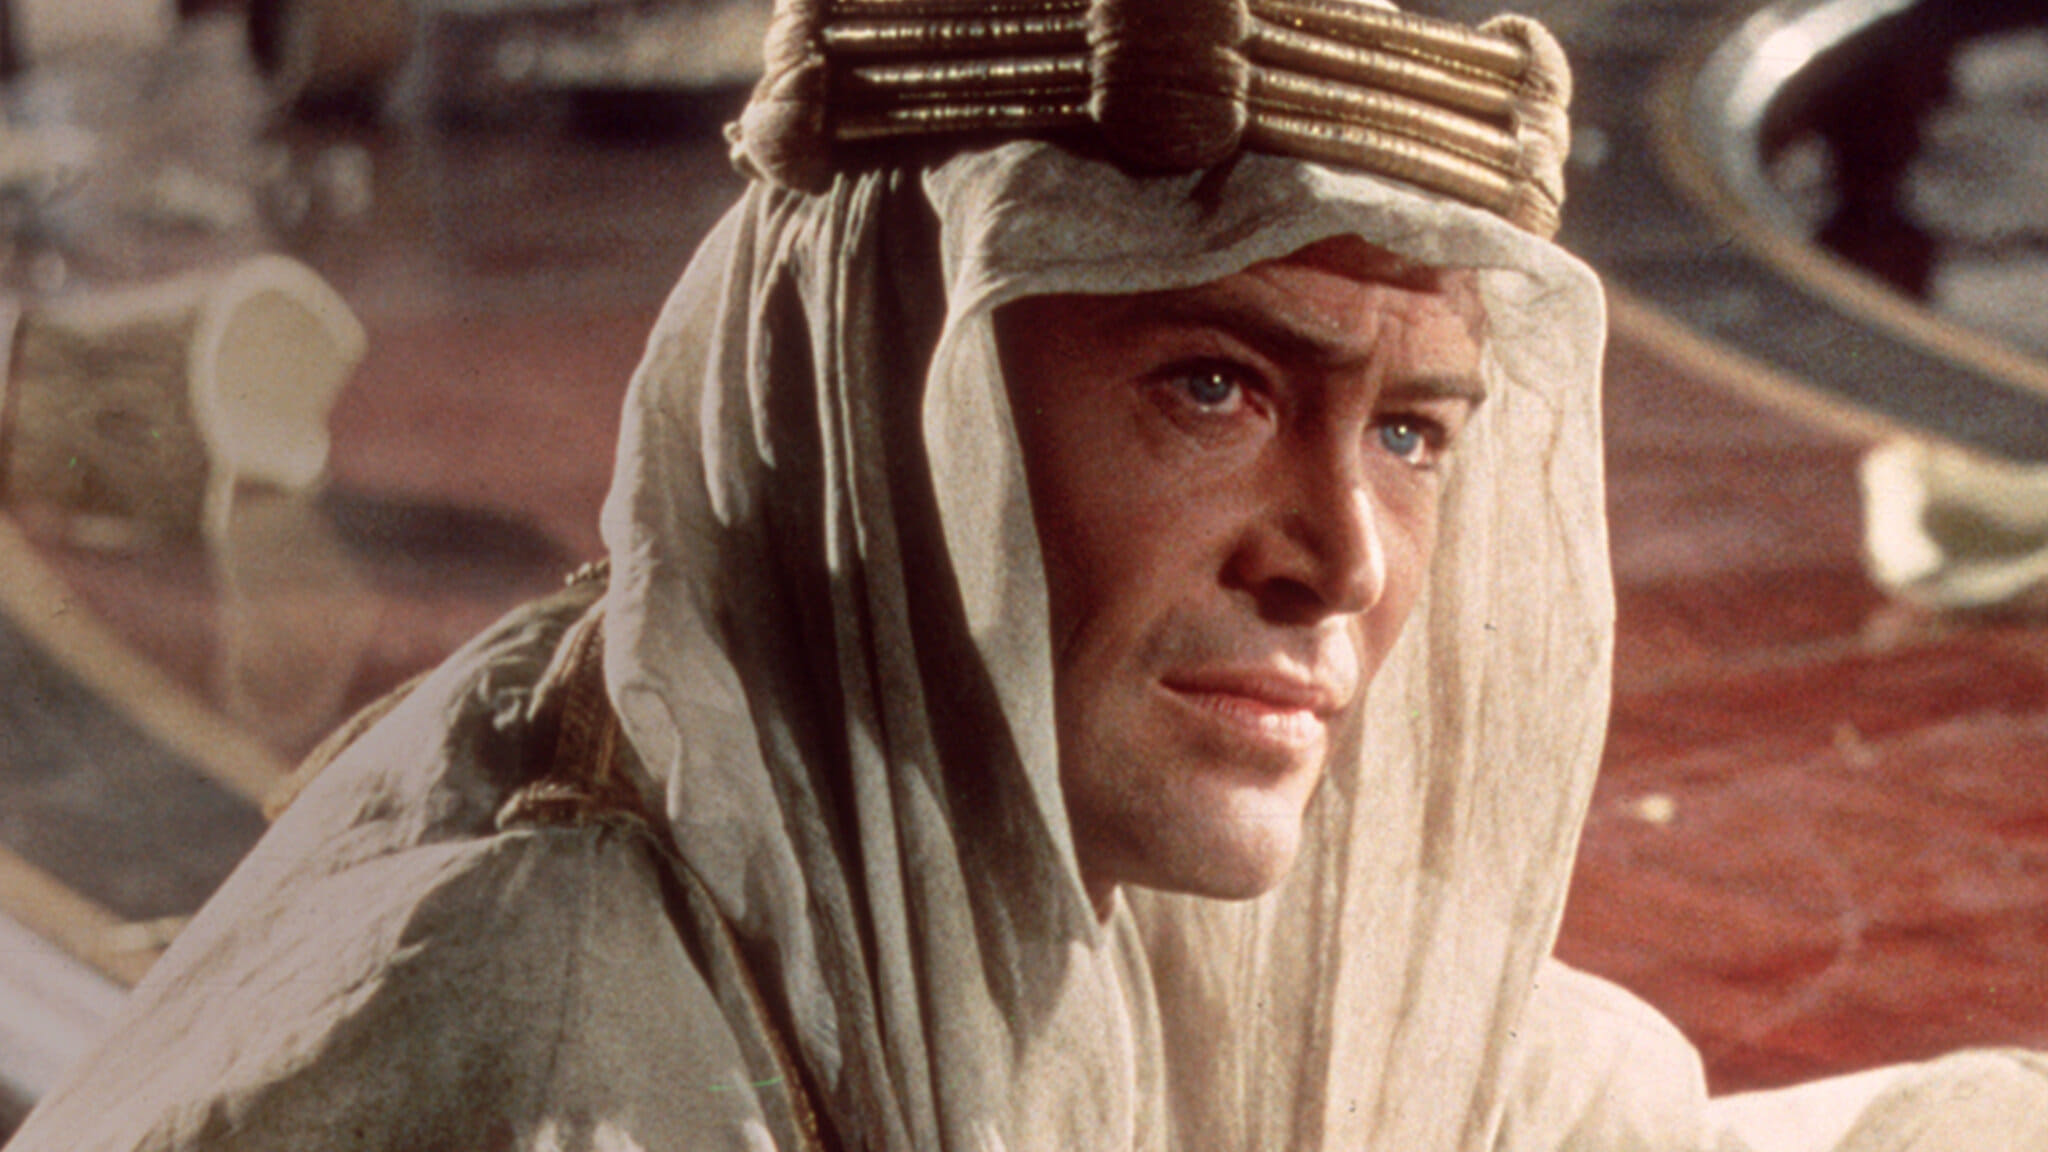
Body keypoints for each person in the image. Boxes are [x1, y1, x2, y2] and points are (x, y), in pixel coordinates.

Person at [10, 1, 2045, 1149]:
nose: (1342, 559)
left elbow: (1551, 1101)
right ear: (901, 409)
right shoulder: (562, 1042)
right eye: (1215, 386)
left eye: (1414, 431)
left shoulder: (1040, 820)